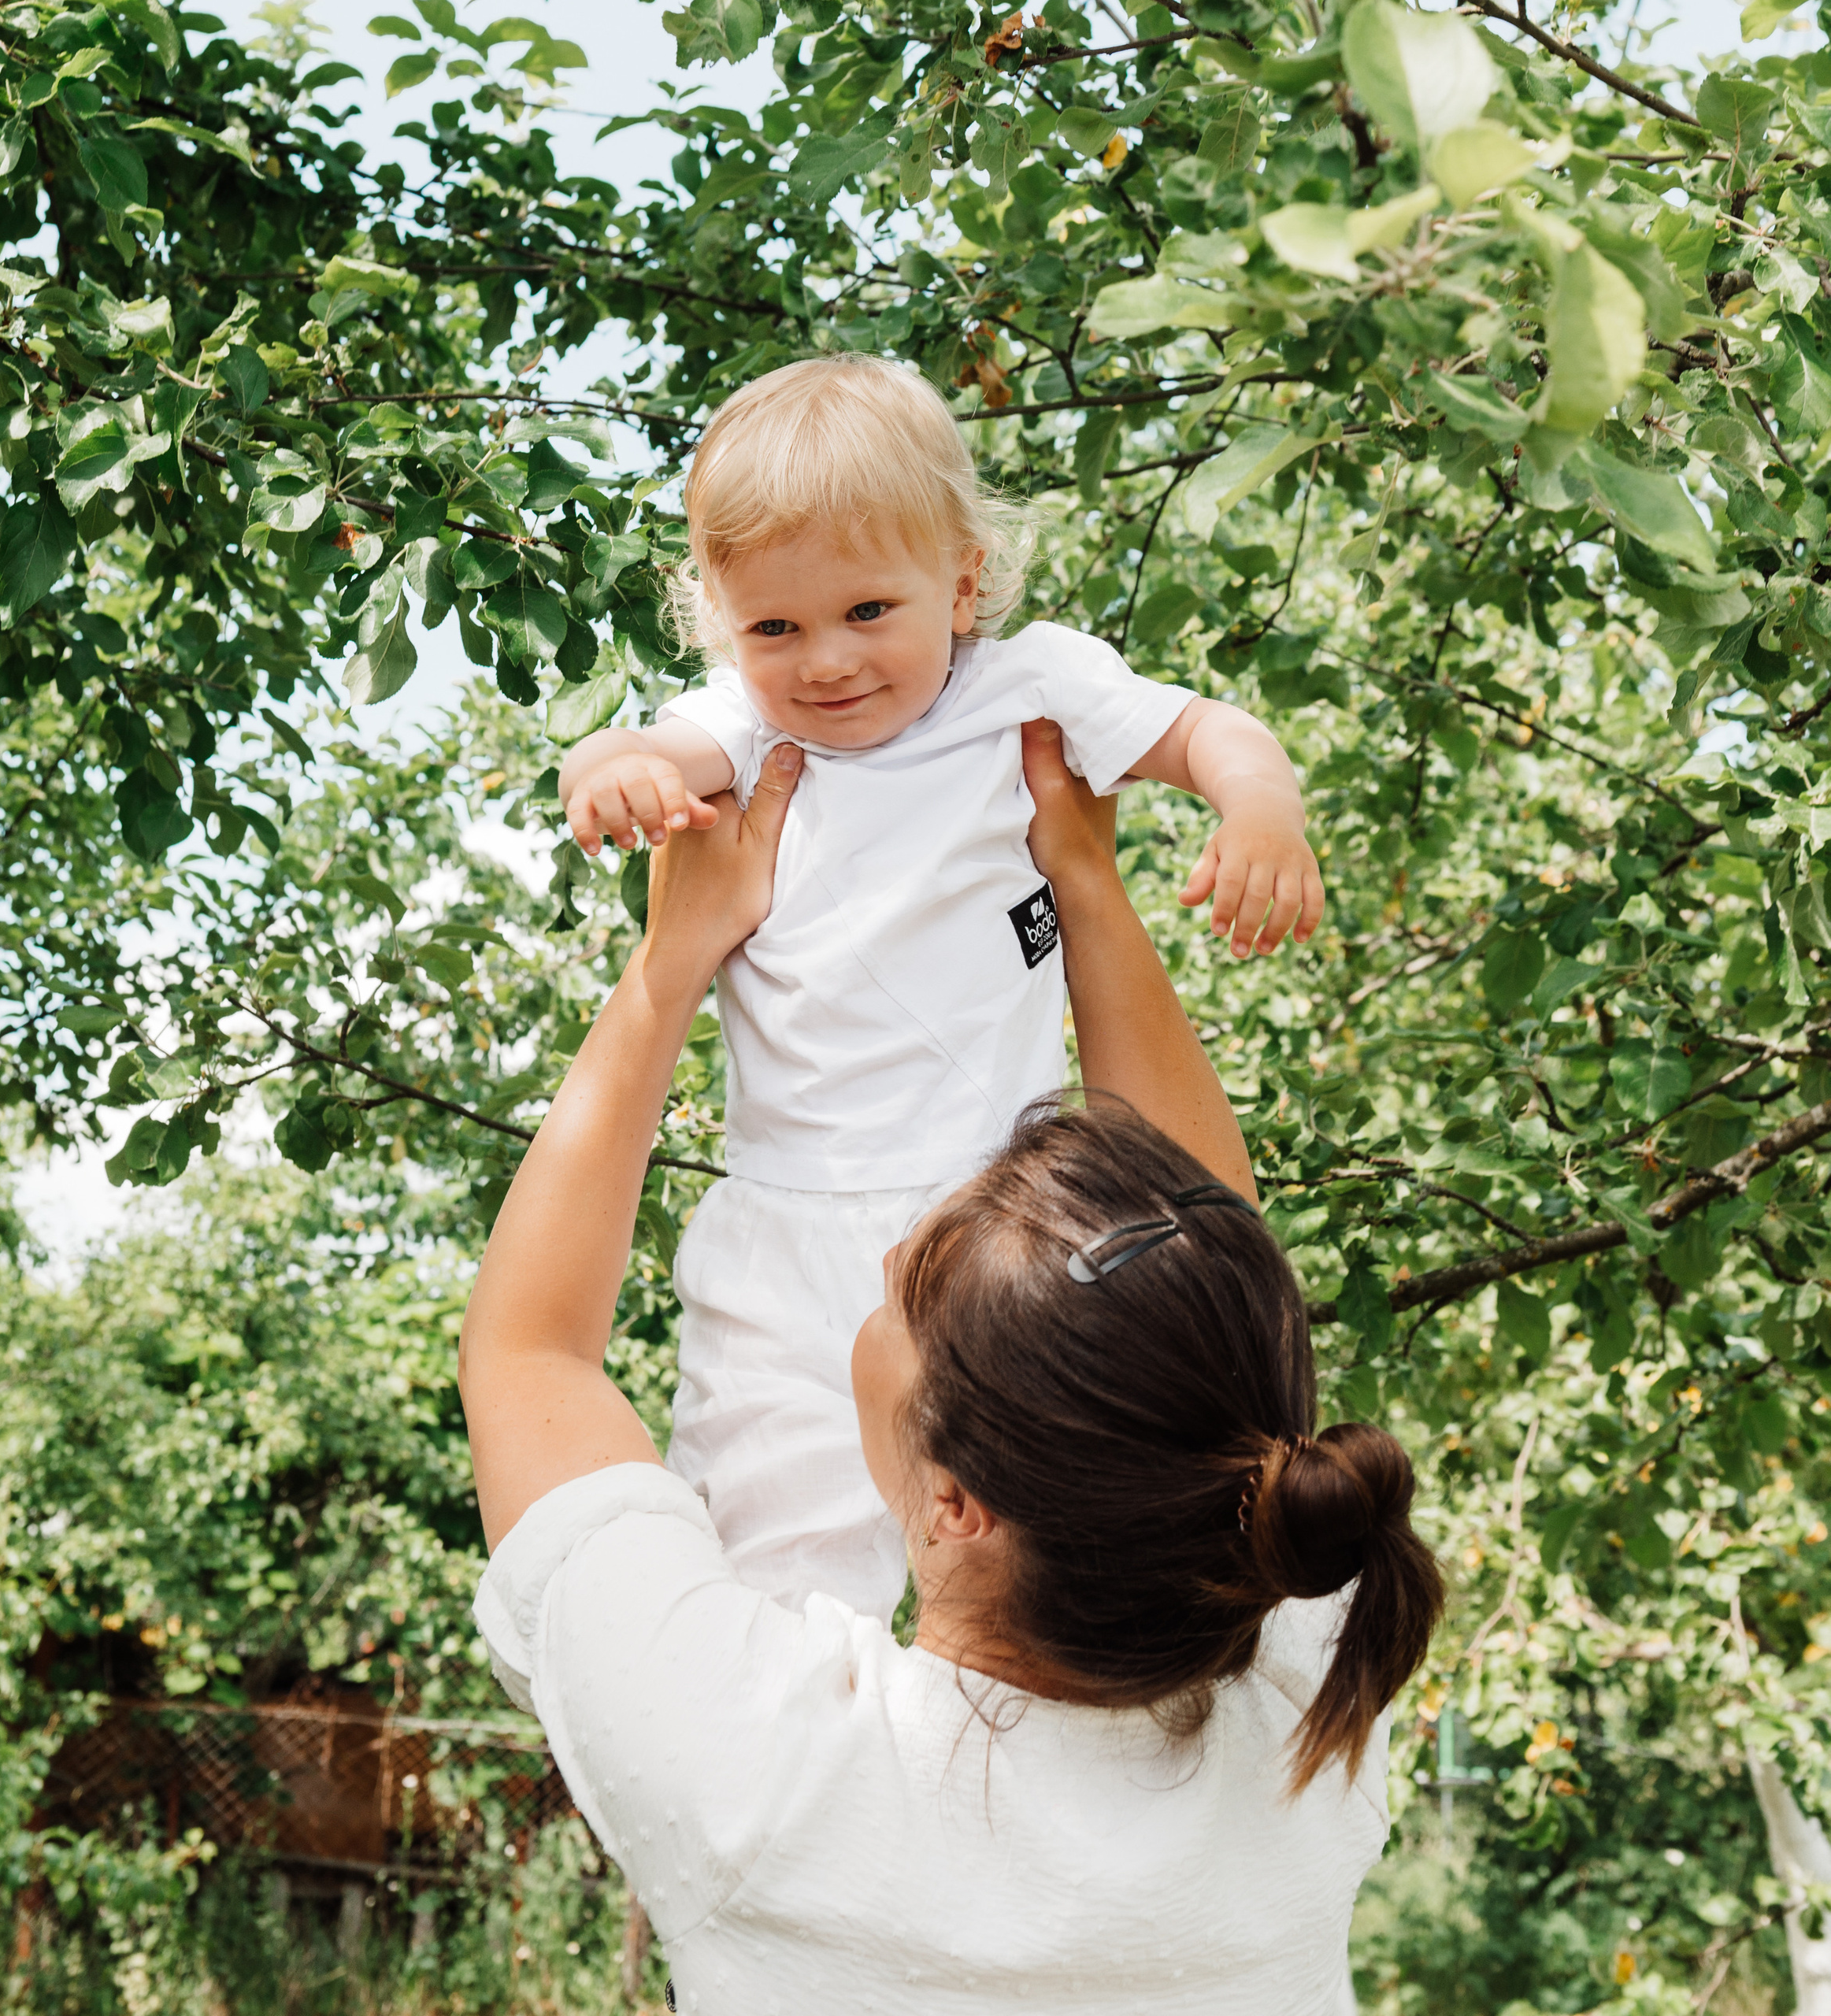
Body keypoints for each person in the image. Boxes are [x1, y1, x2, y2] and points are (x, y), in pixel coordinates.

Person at [459, 724, 1444, 2014]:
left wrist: (671, 963)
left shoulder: (766, 1775)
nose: (873, 1283)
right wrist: (1082, 885)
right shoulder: (1304, 1731)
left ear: (956, 1504)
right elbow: (1205, 1279)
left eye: (891, 1297)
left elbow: (529, 1356)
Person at [553, 354, 1327, 1618]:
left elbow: (1210, 733)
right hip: (787, 1230)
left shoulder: (1031, 686)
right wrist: (613, 771)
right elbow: (643, 744)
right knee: (771, 1579)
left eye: (869, 612)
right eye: (774, 628)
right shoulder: (751, 726)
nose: (825, 662)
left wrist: (1260, 807)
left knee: (1061, 1540)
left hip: (998, 1216)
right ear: (720, 619)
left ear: (963, 581)